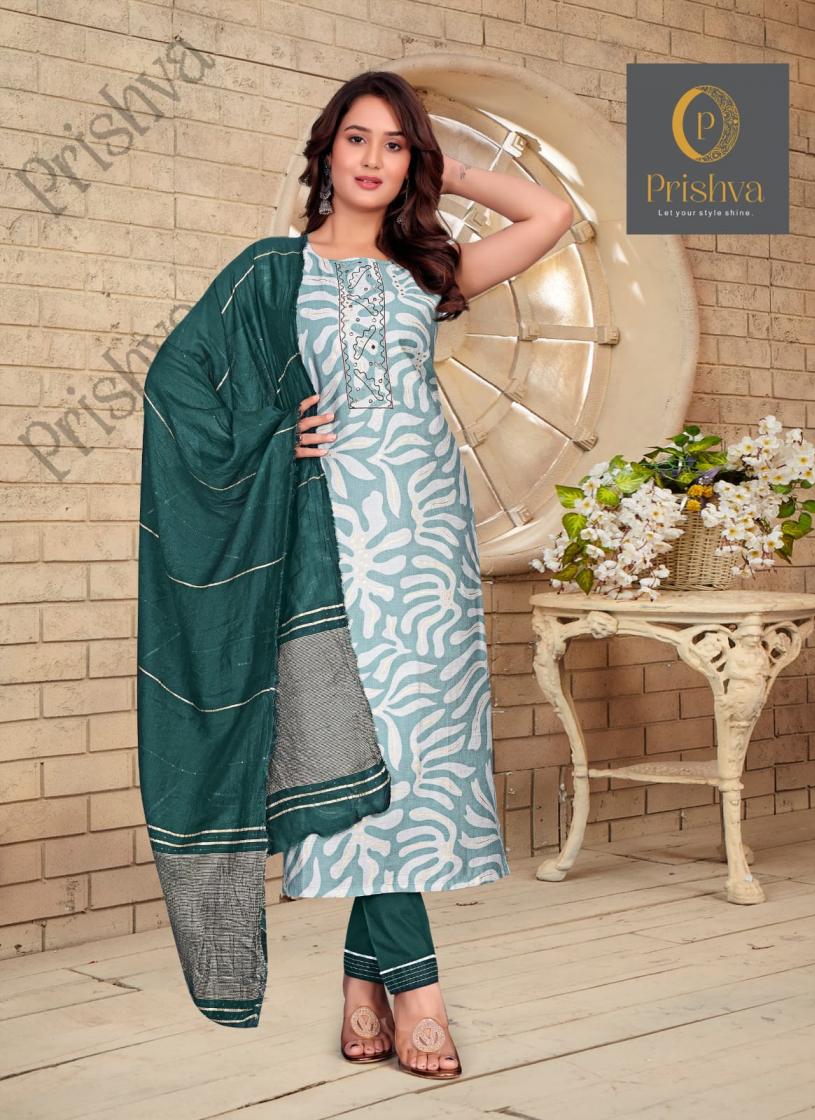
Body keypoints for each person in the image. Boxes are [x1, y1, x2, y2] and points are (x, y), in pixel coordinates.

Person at [289, 69, 573, 1079]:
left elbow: (550, 213)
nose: (372, 159)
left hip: (428, 536)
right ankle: (420, 996)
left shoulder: (429, 267)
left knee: (413, 752)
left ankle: (362, 986)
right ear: (326, 149)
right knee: (365, 751)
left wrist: (446, 169)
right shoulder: (278, 271)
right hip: (335, 536)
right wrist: (278, 433)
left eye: (394, 143)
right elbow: (205, 392)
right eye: (356, 138)